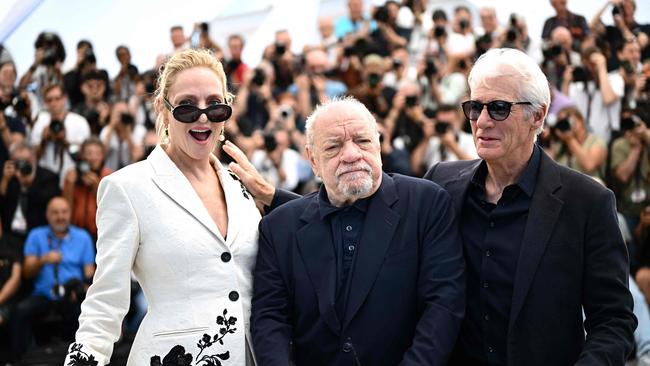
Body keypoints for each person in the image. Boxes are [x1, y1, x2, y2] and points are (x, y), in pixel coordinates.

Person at [424, 48, 635, 365]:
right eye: (474, 107)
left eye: (498, 108)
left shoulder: (588, 202)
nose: (482, 121)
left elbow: (613, 321)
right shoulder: (441, 183)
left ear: (538, 115)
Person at [64, 48, 260, 365]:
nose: (202, 117)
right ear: (162, 109)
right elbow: (106, 299)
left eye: (214, 105)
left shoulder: (242, 186)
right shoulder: (127, 187)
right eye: (185, 107)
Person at [250, 97, 465, 365]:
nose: (351, 155)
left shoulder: (427, 203)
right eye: (333, 146)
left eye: (362, 141)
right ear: (313, 160)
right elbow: (270, 318)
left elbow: (443, 305)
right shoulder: (278, 227)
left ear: (378, 144)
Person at [10, 197, 95, 361]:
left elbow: (89, 274)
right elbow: (26, 272)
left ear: (70, 214)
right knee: (21, 311)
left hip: (71, 295)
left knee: (83, 313)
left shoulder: (82, 237)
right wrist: (42, 260)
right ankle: (19, 360)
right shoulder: (36, 235)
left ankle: (79, 360)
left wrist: (82, 290)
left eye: (64, 212)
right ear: (47, 215)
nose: (60, 216)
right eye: (55, 212)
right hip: (44, 294)